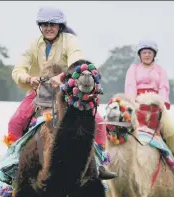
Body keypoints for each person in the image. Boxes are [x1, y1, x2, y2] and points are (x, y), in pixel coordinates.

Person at [7, 6, 116, 181]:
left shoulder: (70, 40)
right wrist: (28, 78)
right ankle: (11, 163)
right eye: (45, 24)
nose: (49, 28)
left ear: (60, 26)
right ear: (40, 26)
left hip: (67, 93)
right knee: (15, 121)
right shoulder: (34, 43)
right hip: (38, 92)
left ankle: (100, 164)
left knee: (99, 121)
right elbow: (18, 68)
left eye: (53, 24)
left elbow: (77, 62)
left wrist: (63, 76)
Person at [125, 40, 174, 162]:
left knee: (171, 131)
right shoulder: (133, 69)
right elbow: (130, 86)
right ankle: (111, 159)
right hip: (137, 105)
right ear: (140, 55)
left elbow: (163, 87)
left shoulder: (161, 70)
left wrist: (161, 103)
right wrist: (132, 103)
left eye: (150, 52)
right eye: (144, 52)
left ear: (154, 55)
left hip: (155, 105)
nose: (147, 55)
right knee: (120, 128)